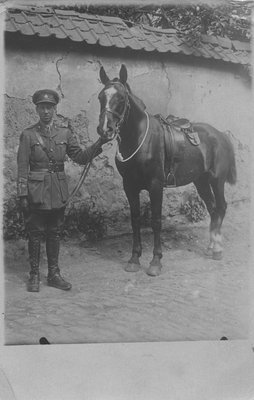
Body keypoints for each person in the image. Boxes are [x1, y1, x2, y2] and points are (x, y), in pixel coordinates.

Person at [17, 89, 104, 292]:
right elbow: (22, 166)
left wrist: (100, 143)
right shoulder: (28, 135)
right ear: (37, 109)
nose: (46, 111)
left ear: (55, 109)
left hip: (58, 191)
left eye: (50, 107)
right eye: (42, 107)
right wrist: (22, 194)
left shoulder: (64, 133)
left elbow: (81, 157)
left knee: (54, 232)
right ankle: (34, 275)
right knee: (35, 233)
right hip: (36, 191)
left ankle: (54, 274)